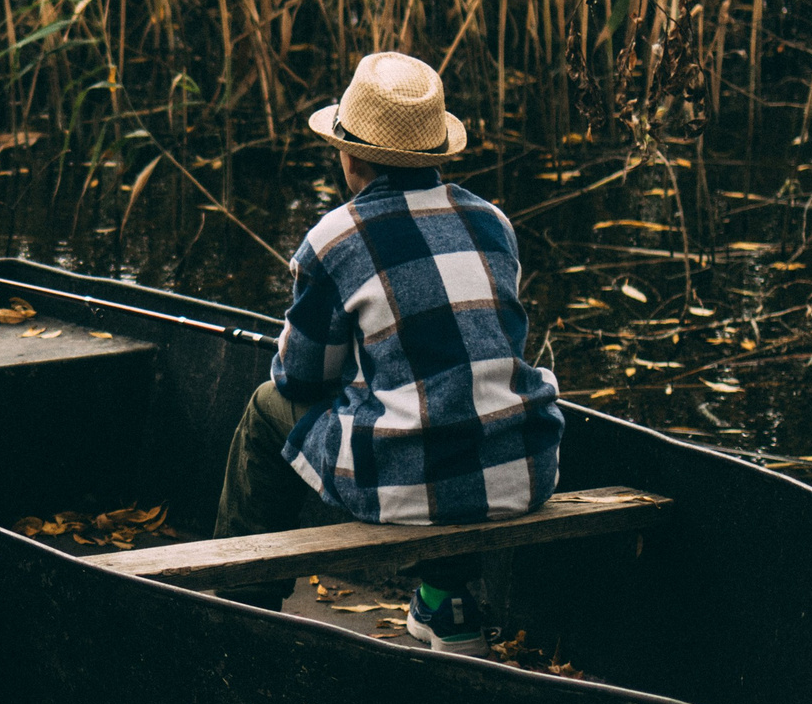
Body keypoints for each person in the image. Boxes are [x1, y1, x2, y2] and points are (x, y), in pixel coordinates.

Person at [211, 51, 561, 653]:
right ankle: (444, 602)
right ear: (435, 153)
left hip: (410, 484)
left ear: (347, 155)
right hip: (524, 468)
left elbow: (300, 378)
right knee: (450, 409)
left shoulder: (334, 238)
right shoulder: (494, 222)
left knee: (266, 408)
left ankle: (242, 609)